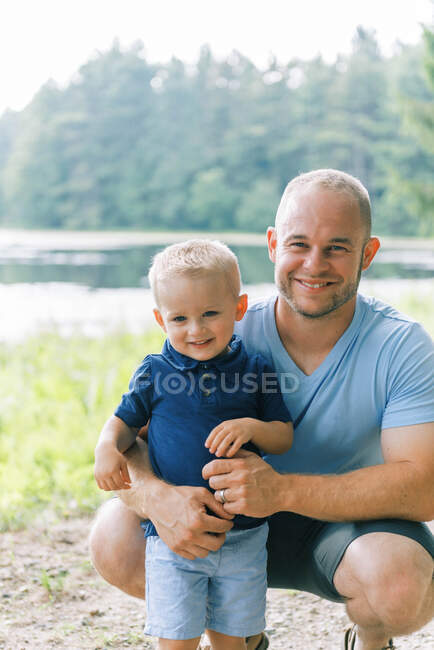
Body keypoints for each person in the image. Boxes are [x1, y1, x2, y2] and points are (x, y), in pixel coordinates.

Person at [90, 170, 434, 650]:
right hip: (224, 525)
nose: (315, 264)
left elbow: (423, 489)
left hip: (344, 530)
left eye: (337, 246)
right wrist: (157, 498)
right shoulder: (216, 329)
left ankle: (371, 637)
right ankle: (238, 631)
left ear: (368, 254)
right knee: (114, 537)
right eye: (299, 244)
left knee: (400, 583)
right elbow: (135, 438)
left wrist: (281, 490)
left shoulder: (402, 346)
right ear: (273, 245)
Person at [93, 239, 293, 650]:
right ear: (160, 319)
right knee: (176, 639)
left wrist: (252, 426)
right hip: (172, 538)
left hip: (243, 534)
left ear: (239, 308)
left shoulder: (256, 369)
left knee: (230, 640)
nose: (196, 329)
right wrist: (105, 448)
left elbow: (283, 435)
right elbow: (123, 424)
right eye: (180, 318)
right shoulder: (155, 371)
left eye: (210, 314)